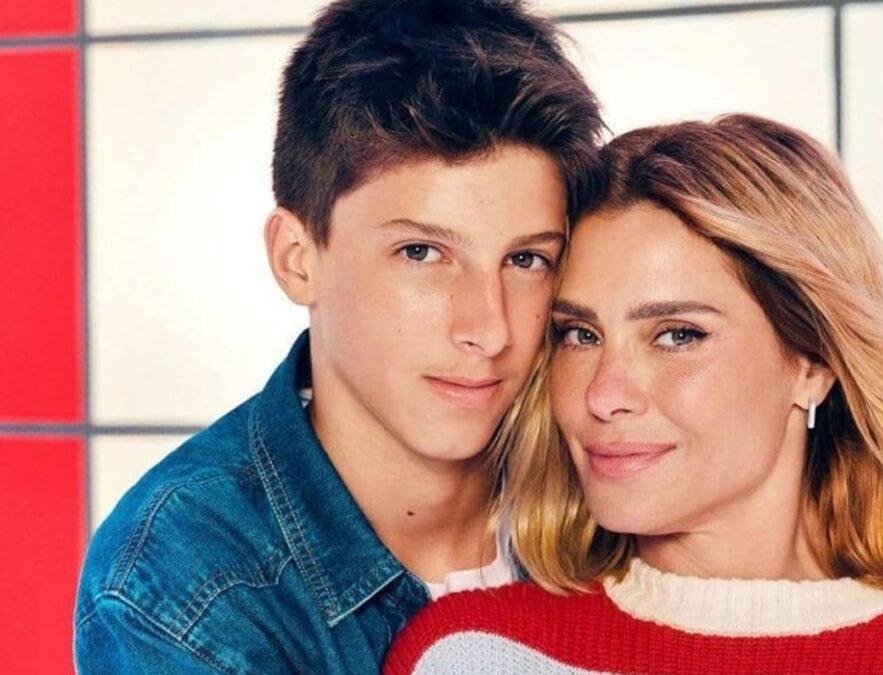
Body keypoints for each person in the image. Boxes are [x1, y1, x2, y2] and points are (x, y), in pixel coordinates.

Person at [383, 115, 883, 675]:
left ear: (812, 362)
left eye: (677, 334)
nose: (604, 395)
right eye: (579, 334)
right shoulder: (474, 653)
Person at [73, 0, 601, 672]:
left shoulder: (611, 483)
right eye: (421, 252)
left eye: (526, 259)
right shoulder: (180, 584)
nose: (489, 329)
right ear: (298, 259)